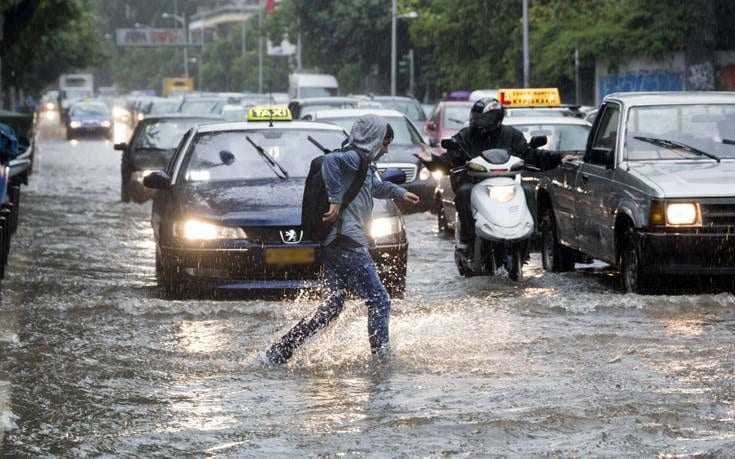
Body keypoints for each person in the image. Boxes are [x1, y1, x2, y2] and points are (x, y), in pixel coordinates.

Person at [266, 115, 420, 364]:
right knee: (379, 299)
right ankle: (381, 361)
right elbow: (330, 163)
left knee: (333, 305)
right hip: (345, 240)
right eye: (385, 143)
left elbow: (374, 188)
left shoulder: (363, 163)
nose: (386, 149)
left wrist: (400, 192)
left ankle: (279, 352)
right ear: (374, 139)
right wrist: (336, 201)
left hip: (337, 242)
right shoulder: (352, 157)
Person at [437, 97, 560, 252]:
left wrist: (558, 157)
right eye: (476, 118)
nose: (479, 122)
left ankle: (531, 237)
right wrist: (433, 161)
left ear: (496, 118)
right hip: (475, 183)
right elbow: (450, 157)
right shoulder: (466, 135)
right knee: (464, 192)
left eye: (483, 118)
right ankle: (468, 238)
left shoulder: (512, 135)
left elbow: (529, 154)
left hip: (507, 184)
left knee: (527, 191)